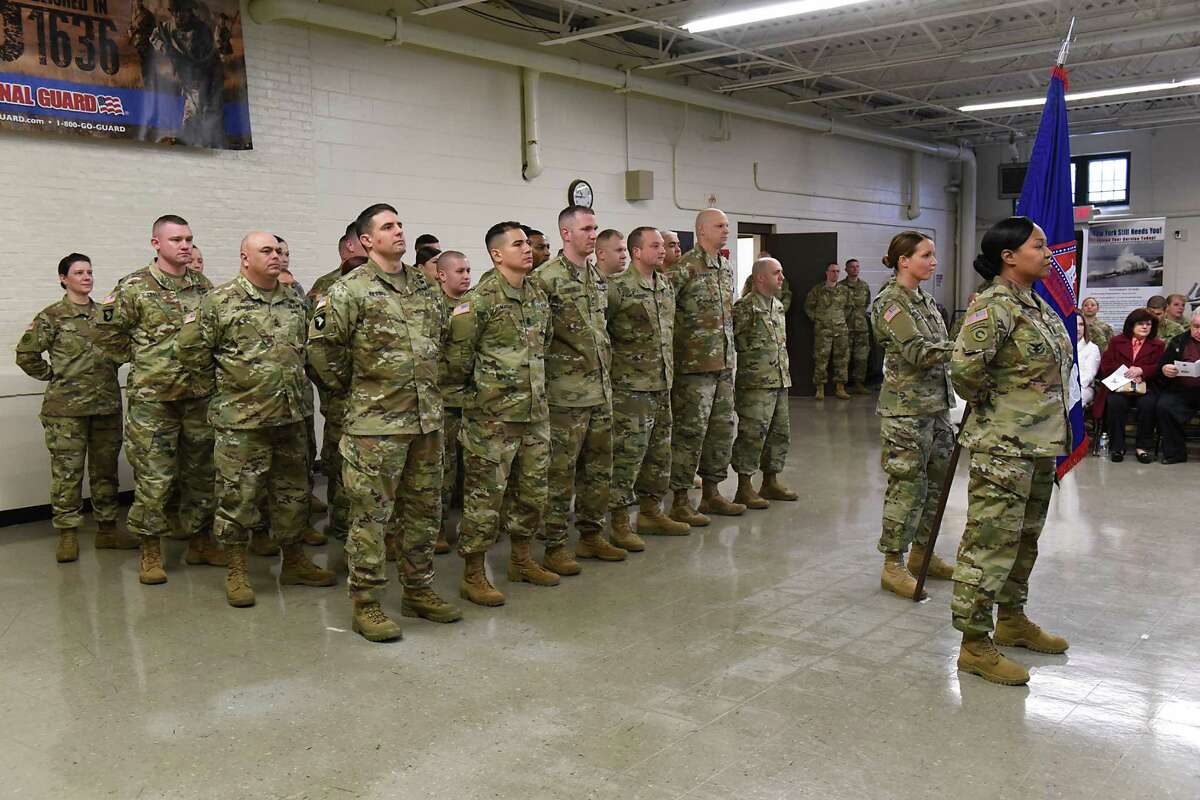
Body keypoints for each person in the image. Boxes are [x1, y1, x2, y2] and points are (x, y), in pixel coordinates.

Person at [307, 204, 461, 642]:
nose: (398, 232)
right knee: (371, 517)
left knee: (424, 512)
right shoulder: (348, 290)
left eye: (400, 224)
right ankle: (367, 603)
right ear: (366, 241)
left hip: (426, 422)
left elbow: (442, 341)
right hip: (375, 427)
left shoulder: (423, 286)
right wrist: (354, 392)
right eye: (387, 227)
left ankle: (418, 590)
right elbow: (322, 352)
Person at [178, 232, 336, 607]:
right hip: (242, 423)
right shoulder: (219, 301)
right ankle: (237, 568)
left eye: (280, 250)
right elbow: (189, 351)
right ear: (245, 258)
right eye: (266, 250)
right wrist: (225, 391)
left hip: (291, 417)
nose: (276, 256)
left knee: (293, 494)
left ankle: (294, 561)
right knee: (239, 497)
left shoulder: (295, 302)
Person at [950, 216, 1073, 687]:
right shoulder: (996, 306)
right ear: (1009, 256)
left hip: (1040, 445)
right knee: (989, 545)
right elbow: (964, 373)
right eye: (1038, 246)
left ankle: (1013, 619)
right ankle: (974, 644)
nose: (1047, 253)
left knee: (1024, 539)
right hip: (1004, 447)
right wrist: (1001, 410)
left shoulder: (1034, 304)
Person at [96, 215, 224, 585]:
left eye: (189, 239)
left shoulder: (203, 286)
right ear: (156, 244)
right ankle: (150, 549)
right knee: (155, 477)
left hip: (198, 397)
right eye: (175, 240)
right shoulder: (133, 287)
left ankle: (200, 542)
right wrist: (143, 358)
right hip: (154, 400)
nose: (184, 246)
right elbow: (105, 334)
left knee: (201, 474)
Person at [445, 222, 557, 606]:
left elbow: (545, 347)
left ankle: (522, 560)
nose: (528, 249)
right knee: (484, 500)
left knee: (533, 493)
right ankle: (473, 573)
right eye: (518, 244)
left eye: (528, 243)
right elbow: (455, 363)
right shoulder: (477, 303)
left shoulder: (539, 295)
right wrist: (480, 404)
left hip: (535, 415)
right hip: (491, 420)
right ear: (496, 254)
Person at [16, 254, 139, 562]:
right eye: (79, 272)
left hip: (105, 406)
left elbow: (124, 348)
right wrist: (54, 376)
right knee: (67, 474)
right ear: (63, 278)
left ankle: (108, 529)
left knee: (105, 472)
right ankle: (68, 533)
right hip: (65, 410)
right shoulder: (52, 316)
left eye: (90, 272)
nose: (86, 277)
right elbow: (26, 354)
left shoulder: (105, 315)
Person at [532, 206, 626, 572]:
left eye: (595, 228)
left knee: (599, 469)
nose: (592, 234)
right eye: (586, 229)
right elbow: (536, 340)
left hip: (600, 391)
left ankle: (591, 535)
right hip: (564, 396)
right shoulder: (546, 280)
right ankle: (555, 544)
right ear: (565, 233)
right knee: (559, 473)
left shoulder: (597, 277)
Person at [870, 233, 956, 600]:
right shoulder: (890, 303)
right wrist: (968, 347)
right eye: (926, 255)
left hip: (935, 407)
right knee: (907, 486)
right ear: (903, 260)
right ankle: (893, 563)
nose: (933, 262)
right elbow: (918, 352)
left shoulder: (924, 300)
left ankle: (923, 553)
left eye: (933, 255)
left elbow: (938, 346)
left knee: (937, 484)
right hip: (906, 412)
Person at [606, 227, 691, 547]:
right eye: (654, 246)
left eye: (662, 246)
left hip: (662, 384)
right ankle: (618, 520)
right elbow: (602, 335)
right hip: (630, 388)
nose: (662, 250)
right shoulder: (618, 289)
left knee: (659, 454)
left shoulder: (665, 286)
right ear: (636, 252)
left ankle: (651, 511)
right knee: (628, 456)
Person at [666, 208, 745, 525]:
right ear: (701, 230)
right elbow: (666, 312)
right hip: (694, 369)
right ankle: (681, 500)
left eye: (727, 225)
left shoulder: (725, 267)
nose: (726, 230)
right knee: (690, 434)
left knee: (721, 430)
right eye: (719, 225)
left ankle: (712, 492)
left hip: (724, 365)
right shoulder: (685, 267)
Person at [730, 257, 798, 510]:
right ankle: (744, 487)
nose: (781, 278)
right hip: (755, 383)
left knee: (780, 434)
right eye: (776, 273)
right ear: (761, 278)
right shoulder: (745, 307)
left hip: (779, 380)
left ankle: (770, 481)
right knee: (752, 435)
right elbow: (730, 340)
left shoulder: (778, 306)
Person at [434, 250, 472, 554]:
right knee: (442, 473)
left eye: (468, 270)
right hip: (444, 401)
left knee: (474, 470)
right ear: (442, 274)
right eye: (459, 271)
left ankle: (474, 527)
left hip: (473, 401)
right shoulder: (432, 307)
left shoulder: (474, 307)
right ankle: (437, 528)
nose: (466, 275)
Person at [1094, 308, 1163, 464]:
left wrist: (1142, 371)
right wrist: (1127, 374)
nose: (1145, 327)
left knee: (1148, 404)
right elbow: (1106, 365)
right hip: (1120, 386)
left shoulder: (1158, 345)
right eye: (1141, 324)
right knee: (1115, 403)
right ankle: (1117, 447)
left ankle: (1142, 448)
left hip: (1146, 386)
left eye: (1148, 324)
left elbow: (1160, 367)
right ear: (1131, 325)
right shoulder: (1116, 341)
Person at [1156, 311, 1200, 464]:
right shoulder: (1179, 340)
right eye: (1196, 327)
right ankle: (1175, 453)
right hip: (1182, 390)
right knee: (1165, 406)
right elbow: (1162, 366)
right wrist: (1165, 369)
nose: (1199, 331)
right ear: (1190, 325)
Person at [804, 262, 851, 400]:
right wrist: (818, 320)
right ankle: (820, 388)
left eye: (837, 271)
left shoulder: (844, 290)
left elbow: (849, 307)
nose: (835, 274)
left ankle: (840, 388)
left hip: (840, 330)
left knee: (842, 359)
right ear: (827, 273)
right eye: (832, 271)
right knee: (821, 359)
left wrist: (840, 319)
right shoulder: (818, 290)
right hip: (823, 331)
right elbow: (808, 307)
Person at [839, 258, 872, 394]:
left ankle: (859, 383)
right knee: (843, 357)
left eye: (857, 267)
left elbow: (867, 303)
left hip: (861, 328)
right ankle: (840, 385)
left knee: (861, 358)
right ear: (846, 269)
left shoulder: (864, 286)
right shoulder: (840, 286)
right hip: (845, 327)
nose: (855, 269)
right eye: (852, 267)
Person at [1076, 316, 1101, 409]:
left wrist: (1072, 387)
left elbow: (1089, 375)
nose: (1078, 328)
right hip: (1062, 387)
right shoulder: (1062, 346)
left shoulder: (1092, 348)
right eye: (1075, 324)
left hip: (1084, 387)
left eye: (1081, 324)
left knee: (1075, 398)